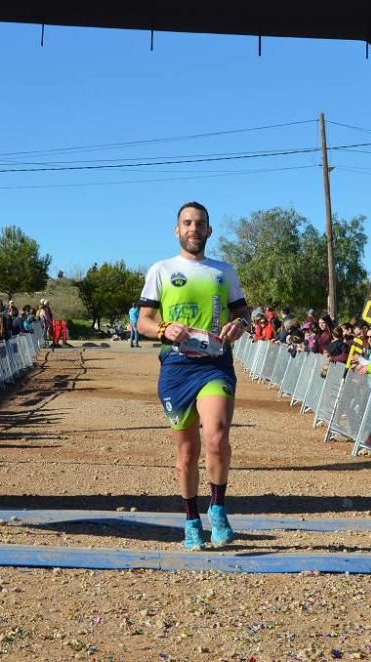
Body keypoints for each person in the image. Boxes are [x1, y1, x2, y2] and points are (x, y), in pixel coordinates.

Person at [136, 201, 250, 551]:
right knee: (187, 452)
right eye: (187, 223)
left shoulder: (223, 271)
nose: (193, 229)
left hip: (215, 364)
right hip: (176, 368)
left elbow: (244, 312)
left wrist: (240, 324)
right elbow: (142, 322)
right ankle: (190, 519)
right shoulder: (160, 269)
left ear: (209, 231)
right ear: (177, 230)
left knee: (216, 438)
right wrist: (164, 329)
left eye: (199, 223)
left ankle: (217, 509)